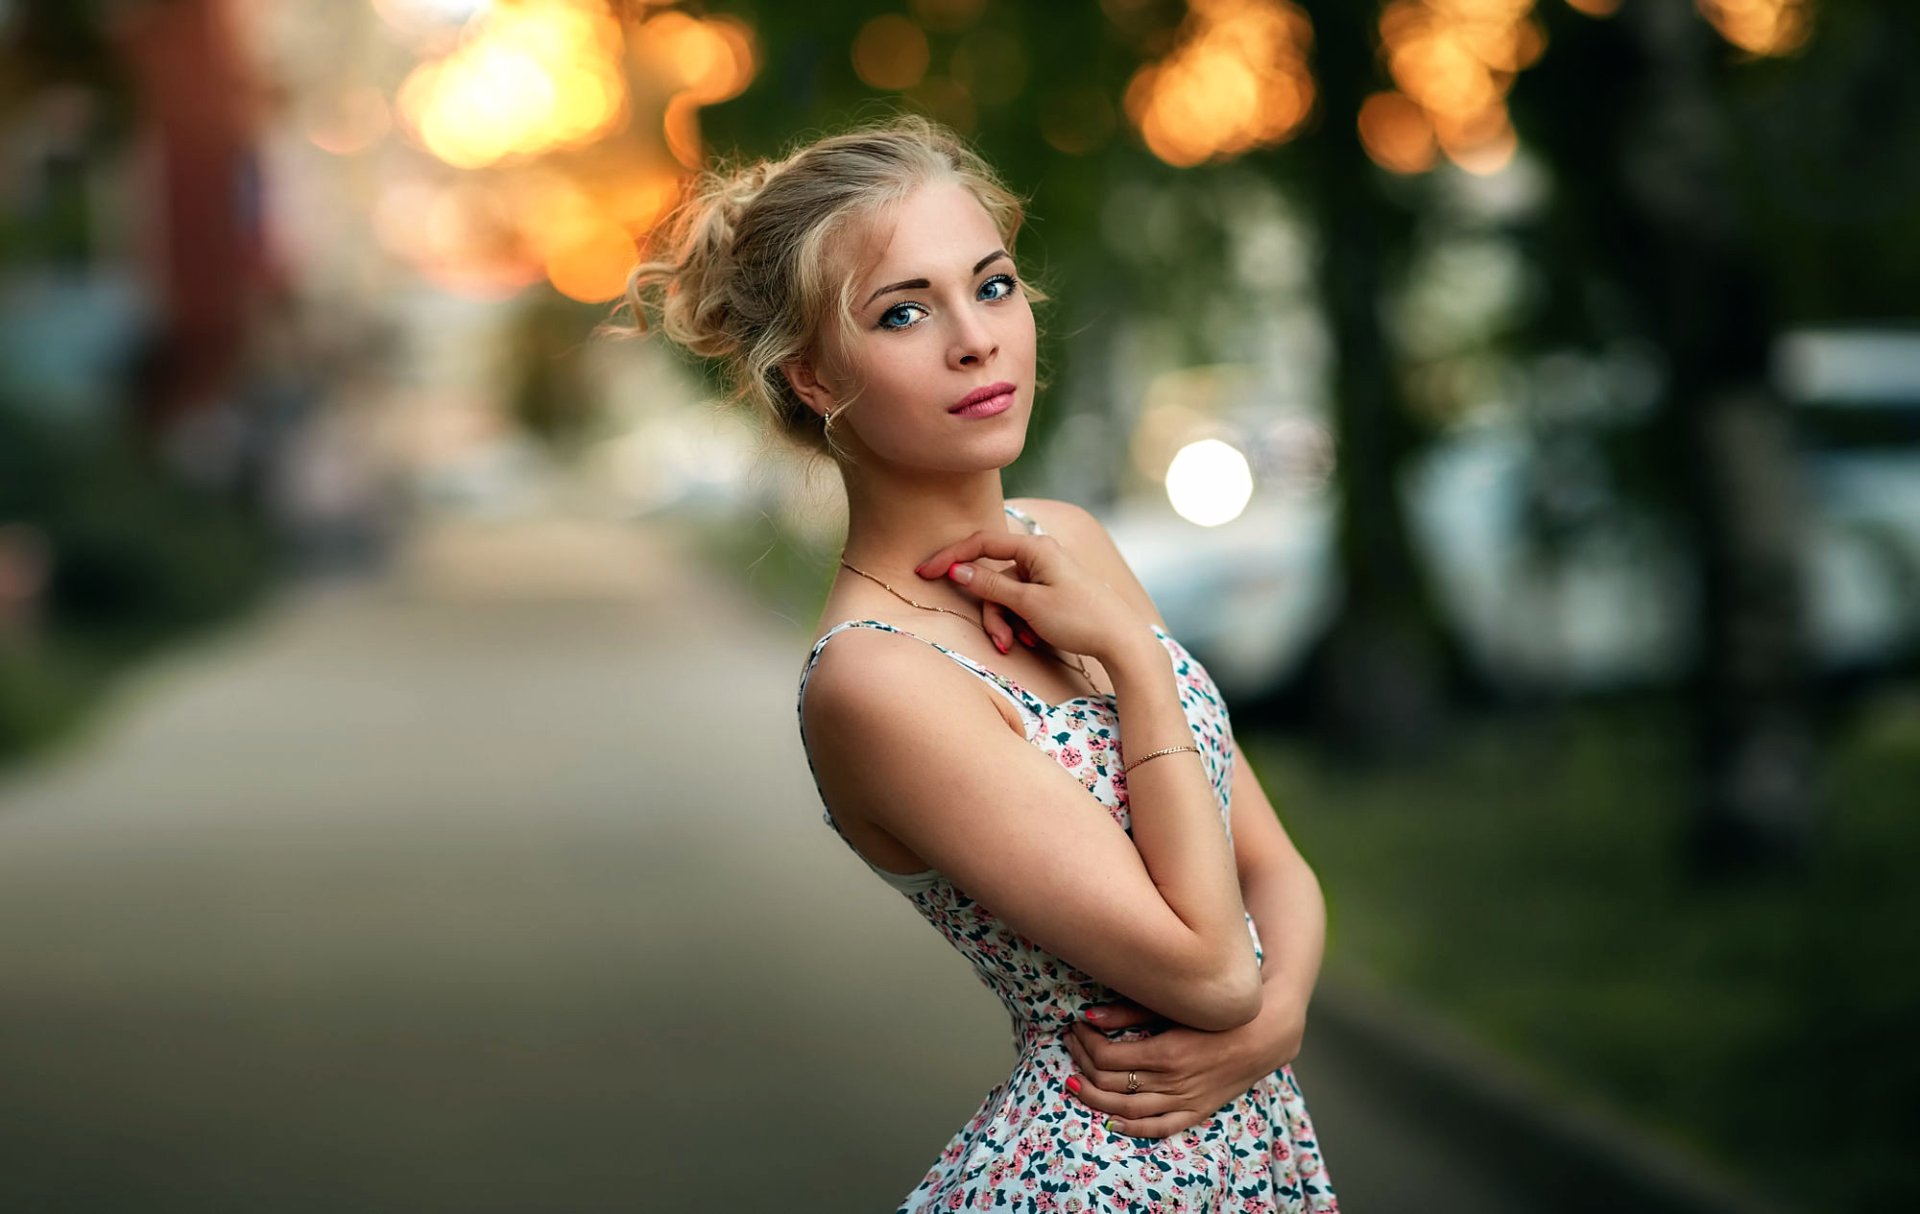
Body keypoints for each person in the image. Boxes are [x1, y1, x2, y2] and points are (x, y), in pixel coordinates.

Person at [622, 115, 1337, 1213]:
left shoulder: (1073, 545)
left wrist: (1274, 1024)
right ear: (815, 378)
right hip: (1091, 1181)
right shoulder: (876, 678)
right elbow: (1206, 964)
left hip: (1249, 1158)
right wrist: (1138, 669)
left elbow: (1276, 874)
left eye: (992, 285)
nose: (976, 338)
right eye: (904, 311)